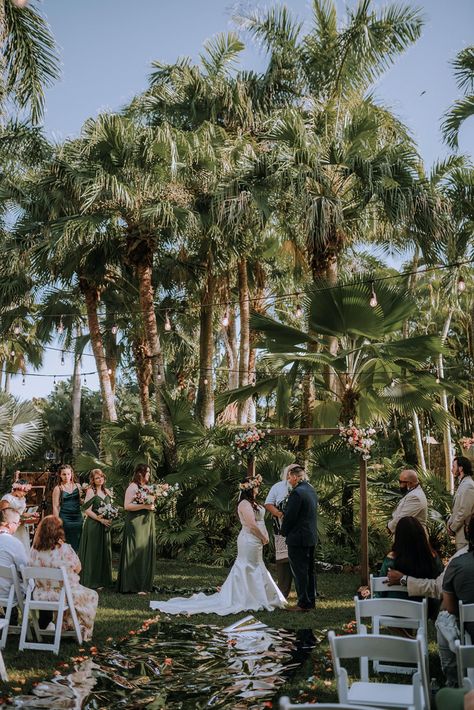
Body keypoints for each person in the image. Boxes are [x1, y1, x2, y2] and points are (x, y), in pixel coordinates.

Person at [150, 474, 286, 615]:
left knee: (257, 565)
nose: (258, 488)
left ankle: (258, 596)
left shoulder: (253, 503)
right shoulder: (244, 504)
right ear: (250, 488)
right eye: (256, 486)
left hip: (255, 541)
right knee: (248, 566)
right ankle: (244, 597)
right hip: (249, 540)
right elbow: (251, 524)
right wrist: (263, 537)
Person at [29, 515, 98, 641]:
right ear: (59, 531)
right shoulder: (64, 549)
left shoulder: (34, 550)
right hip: (63, 595)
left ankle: (67, 626)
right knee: (92, 595)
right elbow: (78, 568)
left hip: (39, 594)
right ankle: (82, 630)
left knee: (73, 593)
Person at [436, 517, 474, 686]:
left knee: (443, 619)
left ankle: (453, 681)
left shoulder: (458, 565)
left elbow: (450, 608)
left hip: (470, 634)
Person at [377, 516, 443, 609]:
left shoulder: (391, 559)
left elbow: (381, 588)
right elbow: (441, 585)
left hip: (393, 610)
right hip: (422, 611)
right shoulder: (431, 558)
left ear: (399, 536)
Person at [280, 465, 317, 612]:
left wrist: (283, 532)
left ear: (295, 477)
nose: (288, 480)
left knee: (300, 571)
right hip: (310, 536)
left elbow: (290, 517)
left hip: (298, 537)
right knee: (309, 571)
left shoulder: (297, 493)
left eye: (289, 477)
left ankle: (302, 603)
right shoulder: (310, 490)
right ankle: (310, 601)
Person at [117, 464, 156, 594]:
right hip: (136, 523)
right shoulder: (132, 487)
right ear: (140, 473)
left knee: (143, 552)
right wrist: (144, 507)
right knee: (135, 551)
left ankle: (143, 584)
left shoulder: (146, 488)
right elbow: (127, 506)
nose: (149, 474)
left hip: (146, 522)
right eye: (147, 472)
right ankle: (131, 585)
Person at [78, 469, 113, 590]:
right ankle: (91, 580)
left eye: (101, 477)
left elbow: (110, 507)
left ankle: (103, 580)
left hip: (105, 525)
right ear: (93, 480)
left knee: (104, 551)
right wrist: (100, 519)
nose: (100, 479)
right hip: (93, 525)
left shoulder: (107, 491)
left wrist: (111, 515)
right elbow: (86, 509)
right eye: (97, 478)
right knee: (94, 553)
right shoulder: (91, 491)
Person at [264, 464, 294, 598]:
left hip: (299, 530)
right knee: (283, 560)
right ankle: (283, 590)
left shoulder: (306, 487)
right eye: (290, 472)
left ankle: (307, 591)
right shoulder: (278, 487)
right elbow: (268, 503)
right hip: (281, 528)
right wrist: (279, 514)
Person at [0, 502, 27, 623]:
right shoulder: (15, 544)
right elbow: (24, 571)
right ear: (9, 524)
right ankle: (44, 623)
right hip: (8, 593)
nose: (17, 526)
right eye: (17, 523)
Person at [52, 464, 83, 551]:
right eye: (64, 474)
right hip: (65, 518)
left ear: (72, 474)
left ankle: (77, 561)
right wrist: (56, 523)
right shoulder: (58, 488)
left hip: (77, 517)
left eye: (68, 474)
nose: (67, 476)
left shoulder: (78, 486)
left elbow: (82, 502)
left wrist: (88, 493)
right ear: (60, 475)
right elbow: (55, 506)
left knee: (78, 540)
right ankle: (66, 561)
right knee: (66, 540)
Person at [1, 479, 38, 552]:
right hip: (10, 526)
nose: (25, 493)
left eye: (26, 491)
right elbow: (3, 514)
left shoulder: (23, 499)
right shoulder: (7, 498)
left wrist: (31, 514)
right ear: (16, 489)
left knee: (23, 546)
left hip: (21, 526)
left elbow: (23, 513)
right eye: (23, 491)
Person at [387, 469, 428, 534]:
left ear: (409, 483)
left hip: (413, 537)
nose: (399, 485)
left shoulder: (415, 497)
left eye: (401, 482)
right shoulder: (413, 493)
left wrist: (389, 527)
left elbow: (402, 518)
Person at [447, 456, 474, 550]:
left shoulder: (468, 486)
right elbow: (457, 509)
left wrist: (452, 528)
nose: (451, 469)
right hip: (460, 533)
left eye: (453, 466)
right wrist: (449, 524)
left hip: (465, 535)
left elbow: (464, 511)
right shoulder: (463, 484)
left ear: (461, 468)